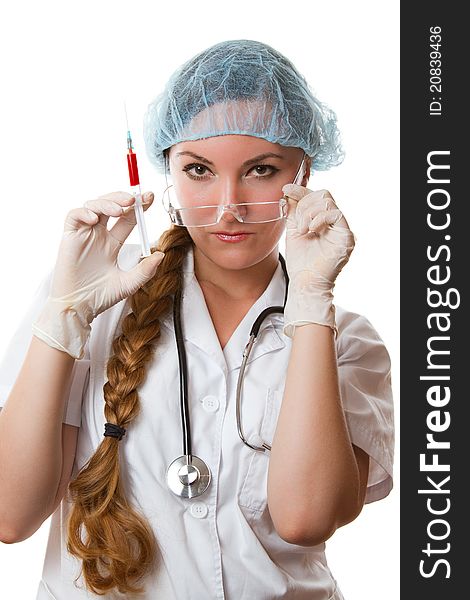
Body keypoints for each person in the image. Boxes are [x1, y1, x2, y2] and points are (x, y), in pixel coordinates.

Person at [0, 39, 394, 599]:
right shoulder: (92, 300)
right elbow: (10, 516)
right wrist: (62, 317)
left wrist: (310, 303)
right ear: (167, 170)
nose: (228, 206)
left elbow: (306, 517)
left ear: (304, 170)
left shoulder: (345, 339)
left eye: (261, 170)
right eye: (199, 170)